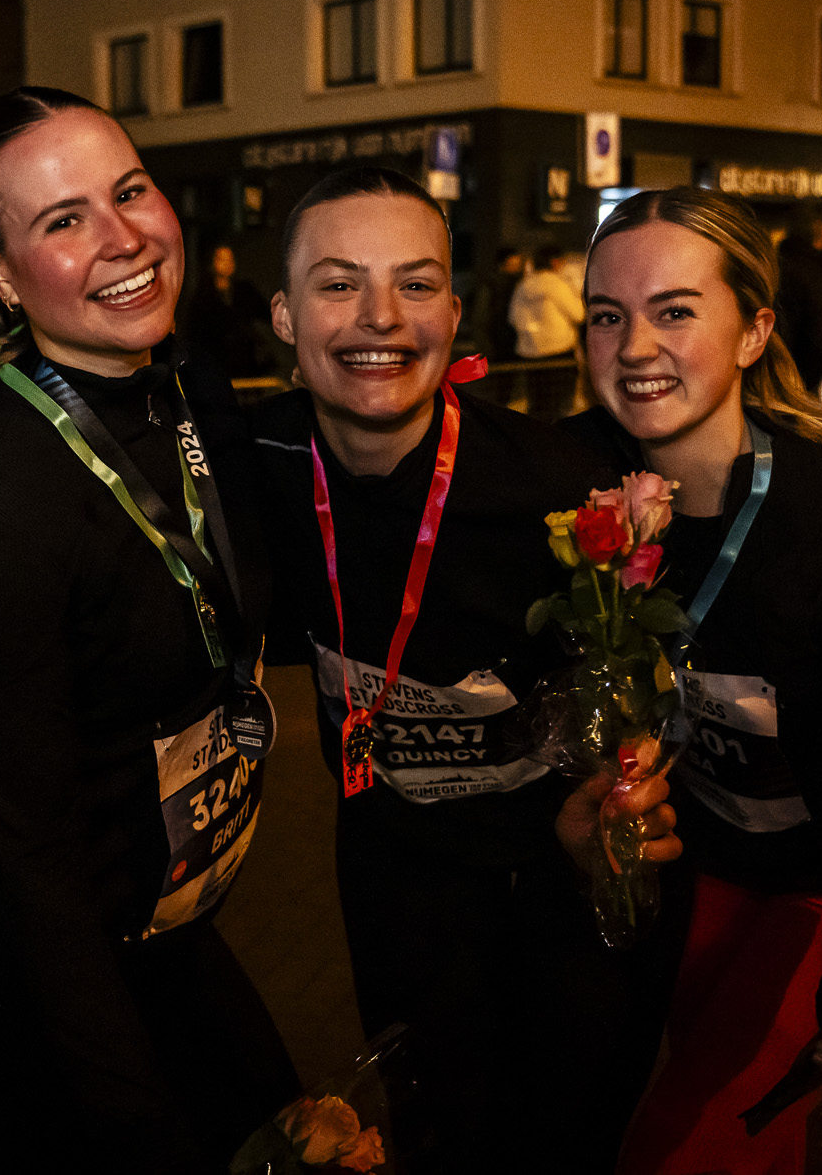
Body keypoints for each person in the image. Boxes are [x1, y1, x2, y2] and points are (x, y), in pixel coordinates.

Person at [0, 88, 294, 1173]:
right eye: (63, 220)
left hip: (149, 916)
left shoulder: (183, 387)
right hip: (7, 975)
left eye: (129, 191)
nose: (123, 237)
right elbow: (29, 865)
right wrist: (136, 1123)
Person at [251, 167, 681, 1173]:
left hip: (552, 892)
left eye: (414, 283)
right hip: (388, 879)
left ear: (452, 312)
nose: (379, 317)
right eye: (337, 283)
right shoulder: (244, 468)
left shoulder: (558, 493)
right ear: (283, 315)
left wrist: (626, 796)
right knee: (431, 1137)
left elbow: (640, 692)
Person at [566, 188, 822, 1174]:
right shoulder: (567, 483)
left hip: (809, 900)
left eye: (675, 311)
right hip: (679, 879)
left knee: (685, 1148)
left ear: (754, 331)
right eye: (607, 315)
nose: (635, 347)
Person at [509, 241, 586, 419]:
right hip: (559, 352)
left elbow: (513, 318)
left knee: (537, 403)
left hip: (529, 352)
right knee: (559, 404)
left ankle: (537, 433)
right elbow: (579, 314)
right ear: (555, 261)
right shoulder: (556, 284)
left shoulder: (523, 286)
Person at [184, 238, 276, 378]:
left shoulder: (245, 291)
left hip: (247, 364)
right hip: (217, 366)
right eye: (222, 259)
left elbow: (267, 314)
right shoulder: (203, 298)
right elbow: (194, 335)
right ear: (212, 263)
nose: (227, 264)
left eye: (230, 259)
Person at [774, 202, 822, 390]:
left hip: (770, 370)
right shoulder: (813, 271)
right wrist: (807, 383)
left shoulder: (774, 264)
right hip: (797, 380)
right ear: (819, 227)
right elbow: (820, 338)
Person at [464, 243, 525, 404]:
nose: (517, 268)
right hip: (497, 343)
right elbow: (480, 318)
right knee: (499, 388)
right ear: (502, 263)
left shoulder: (519, 284)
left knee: (508, 386)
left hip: (511, 343)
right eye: (514, 263)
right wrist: (485, 345)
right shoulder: (491, 286)